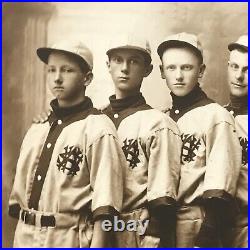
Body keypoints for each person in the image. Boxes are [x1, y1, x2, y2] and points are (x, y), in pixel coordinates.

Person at [8, 40, 125, 248]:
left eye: (67, 70)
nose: (57, 78)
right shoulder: (38, 128)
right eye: (51, 70)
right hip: (25, 235)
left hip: (68, 236)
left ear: (87, 78)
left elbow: (105, 204)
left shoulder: (98, 128)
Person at [157, 32, 242, 247]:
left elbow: (221, 185)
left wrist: (207, 235)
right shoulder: (161, 118)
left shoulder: (216, 116)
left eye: (186, 68)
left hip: (198, 221)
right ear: (161, 72)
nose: (178, 76)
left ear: (201, 71)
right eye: (171, 68)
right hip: (164, 223)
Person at [102, 34, 182, 247]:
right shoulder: (94, 120)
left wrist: (153, 237)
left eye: (134, 61)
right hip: (93, 228)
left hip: (138, 231)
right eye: (118, 60)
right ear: (107, 65)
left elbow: (163, 195)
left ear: (147, 69)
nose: (125, 68)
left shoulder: (157, 123)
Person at [223, 35, 248, 248]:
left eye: (247, 70)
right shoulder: (216, 115)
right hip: (215, 226)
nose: (239, 76)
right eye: (234, 66)